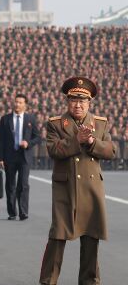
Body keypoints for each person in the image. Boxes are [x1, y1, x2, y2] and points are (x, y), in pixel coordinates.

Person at [39, 77, 116, 285]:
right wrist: (77, 140)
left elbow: (111, 151)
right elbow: (53, 150)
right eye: (73, 100)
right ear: (67, 101)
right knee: (58, 237)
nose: (78, 105)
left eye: (82, 101)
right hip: (66, 189)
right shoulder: (56, 124)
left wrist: (91, 142)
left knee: (91, 238)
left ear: (89, 103)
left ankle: (89, 282)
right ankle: (48, 281)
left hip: (91, 189)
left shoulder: (100, 124)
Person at [0, 94, 40, 220]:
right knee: (10, 184)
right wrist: (0, 158)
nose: (17, 104)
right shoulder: (5, 119)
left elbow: (37, 137)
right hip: (9, 156)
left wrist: (28, 143)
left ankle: (23, 212)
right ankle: (12, 212)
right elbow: (1, 140)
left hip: (24, 156)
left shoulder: (30, 119)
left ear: (25, 104)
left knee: (23, 184)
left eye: (20, 102)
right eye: (16, 102)